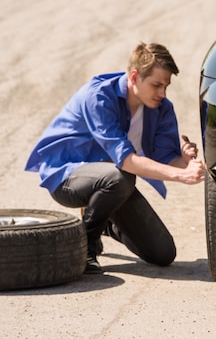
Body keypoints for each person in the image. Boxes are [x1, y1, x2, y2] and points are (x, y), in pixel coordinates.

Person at [25, 42, 205, 273]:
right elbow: (127, 161)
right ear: (134, 76)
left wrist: (186, 161)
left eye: (166, 86)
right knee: (122, 177)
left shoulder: (161, 107)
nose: (163, 93)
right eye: (157, 85)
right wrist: (181, 175)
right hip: (66, 176)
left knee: (163, 253)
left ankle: (104, 222)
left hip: (112, 180)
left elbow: (166, 158)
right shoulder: (99, 97)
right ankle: (85, 247)